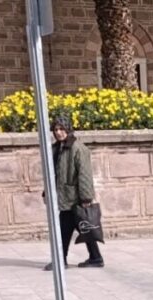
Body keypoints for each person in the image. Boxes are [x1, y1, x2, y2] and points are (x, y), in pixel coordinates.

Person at [44, 114, 102, 270]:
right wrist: (47, 191)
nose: (58, 132)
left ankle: (61, 260)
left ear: (68, 129)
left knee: (66, 229)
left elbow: (85, 174)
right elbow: (52, 173)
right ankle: (95, 257)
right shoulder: (56, 148)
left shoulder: (78, 148)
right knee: (84, 227)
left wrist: (86, 197)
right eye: (55, 129)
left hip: (74, 198)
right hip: (64, 197)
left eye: (61, 129)